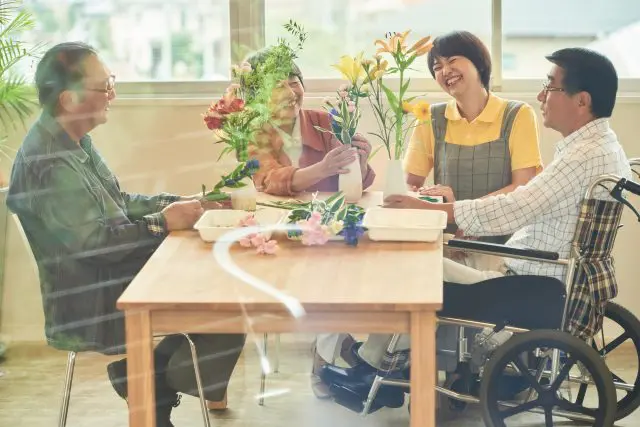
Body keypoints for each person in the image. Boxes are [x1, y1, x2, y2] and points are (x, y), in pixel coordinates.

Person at [321, 47, 632, 408]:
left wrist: (434, 209)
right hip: (542, 270)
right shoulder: (602, 146)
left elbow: (517, 205)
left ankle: (378, 374)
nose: (541, 95)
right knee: (423, 263)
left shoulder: (579, 155)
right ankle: (379, 367)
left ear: (582, 101)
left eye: (550, 87)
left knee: (411, 271)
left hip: (531, 281)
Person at [6, 42, 245, 427]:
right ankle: (149, 382)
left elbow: (120, 202)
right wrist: (163, 222)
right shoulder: (49, 161)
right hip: (93, 294)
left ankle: (147, 380)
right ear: (70, 99)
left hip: (111, 272)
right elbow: (94, 245)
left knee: (224, 278)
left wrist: (186, 202)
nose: (112, 93)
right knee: (224, 290)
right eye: (105, 86)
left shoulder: (72, 139)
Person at [246, 49, 376, 196]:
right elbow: (269, 180)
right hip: (278, 215)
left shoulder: (327, 123)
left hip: (329, 216)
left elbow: (352, 185)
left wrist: (360, 165)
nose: (291, 93)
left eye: (294, 83)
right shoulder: (254, 134)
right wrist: (322, 169)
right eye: (279, 86)